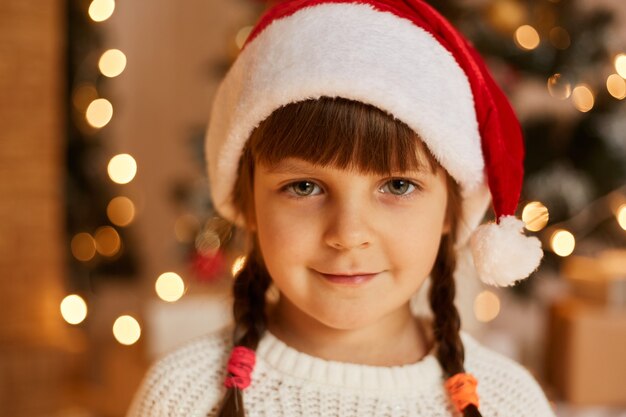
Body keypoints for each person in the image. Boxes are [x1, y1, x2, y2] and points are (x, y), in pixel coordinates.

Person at [126, 0, 557, 416]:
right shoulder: (183, 398)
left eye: (399, 185)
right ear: (249, 203)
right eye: (305, 186)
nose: (348, 234)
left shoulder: (508, 403)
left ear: (451, 210)